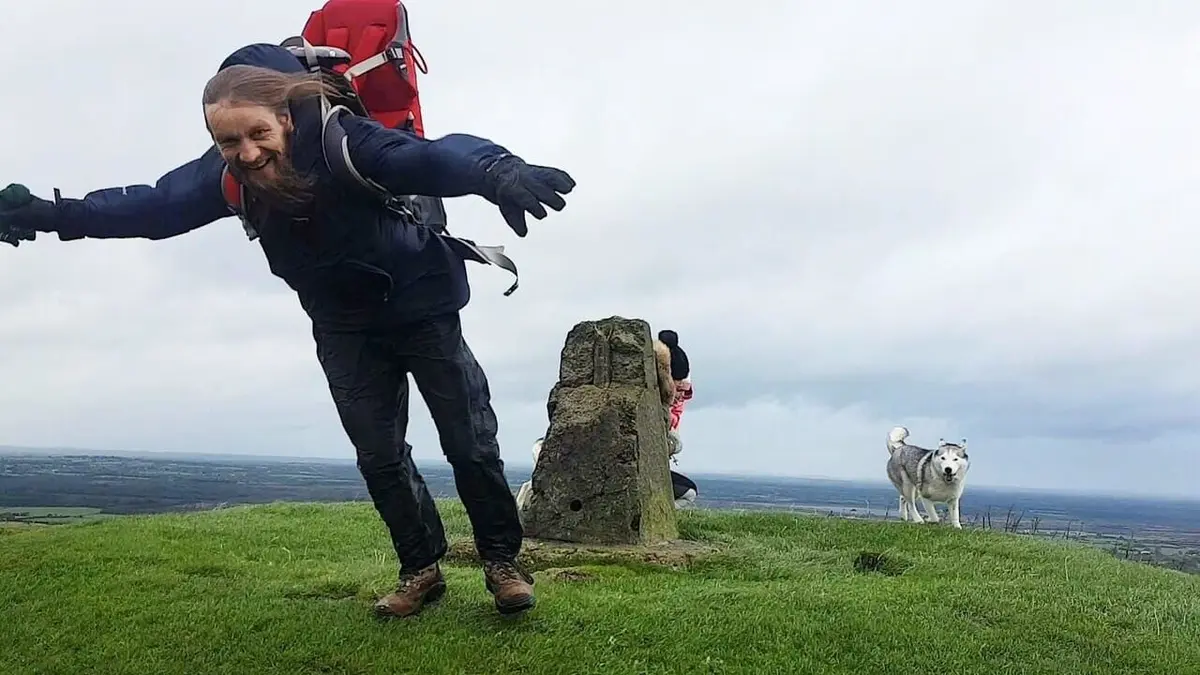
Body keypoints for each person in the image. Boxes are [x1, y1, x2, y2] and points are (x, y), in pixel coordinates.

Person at [0, 43, 576, 619]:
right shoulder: (227, 177)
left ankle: (502, 563)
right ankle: (421, 569)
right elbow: (151, 208)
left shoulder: (345, 143)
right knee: (379, 456)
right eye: (229, 141)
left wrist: (497, 171)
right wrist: (49, 214)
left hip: (422, 310)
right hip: (343, 327)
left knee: (469, 443)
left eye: (257, 134)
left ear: (285, 117)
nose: (247, 153)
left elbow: (431, 158)